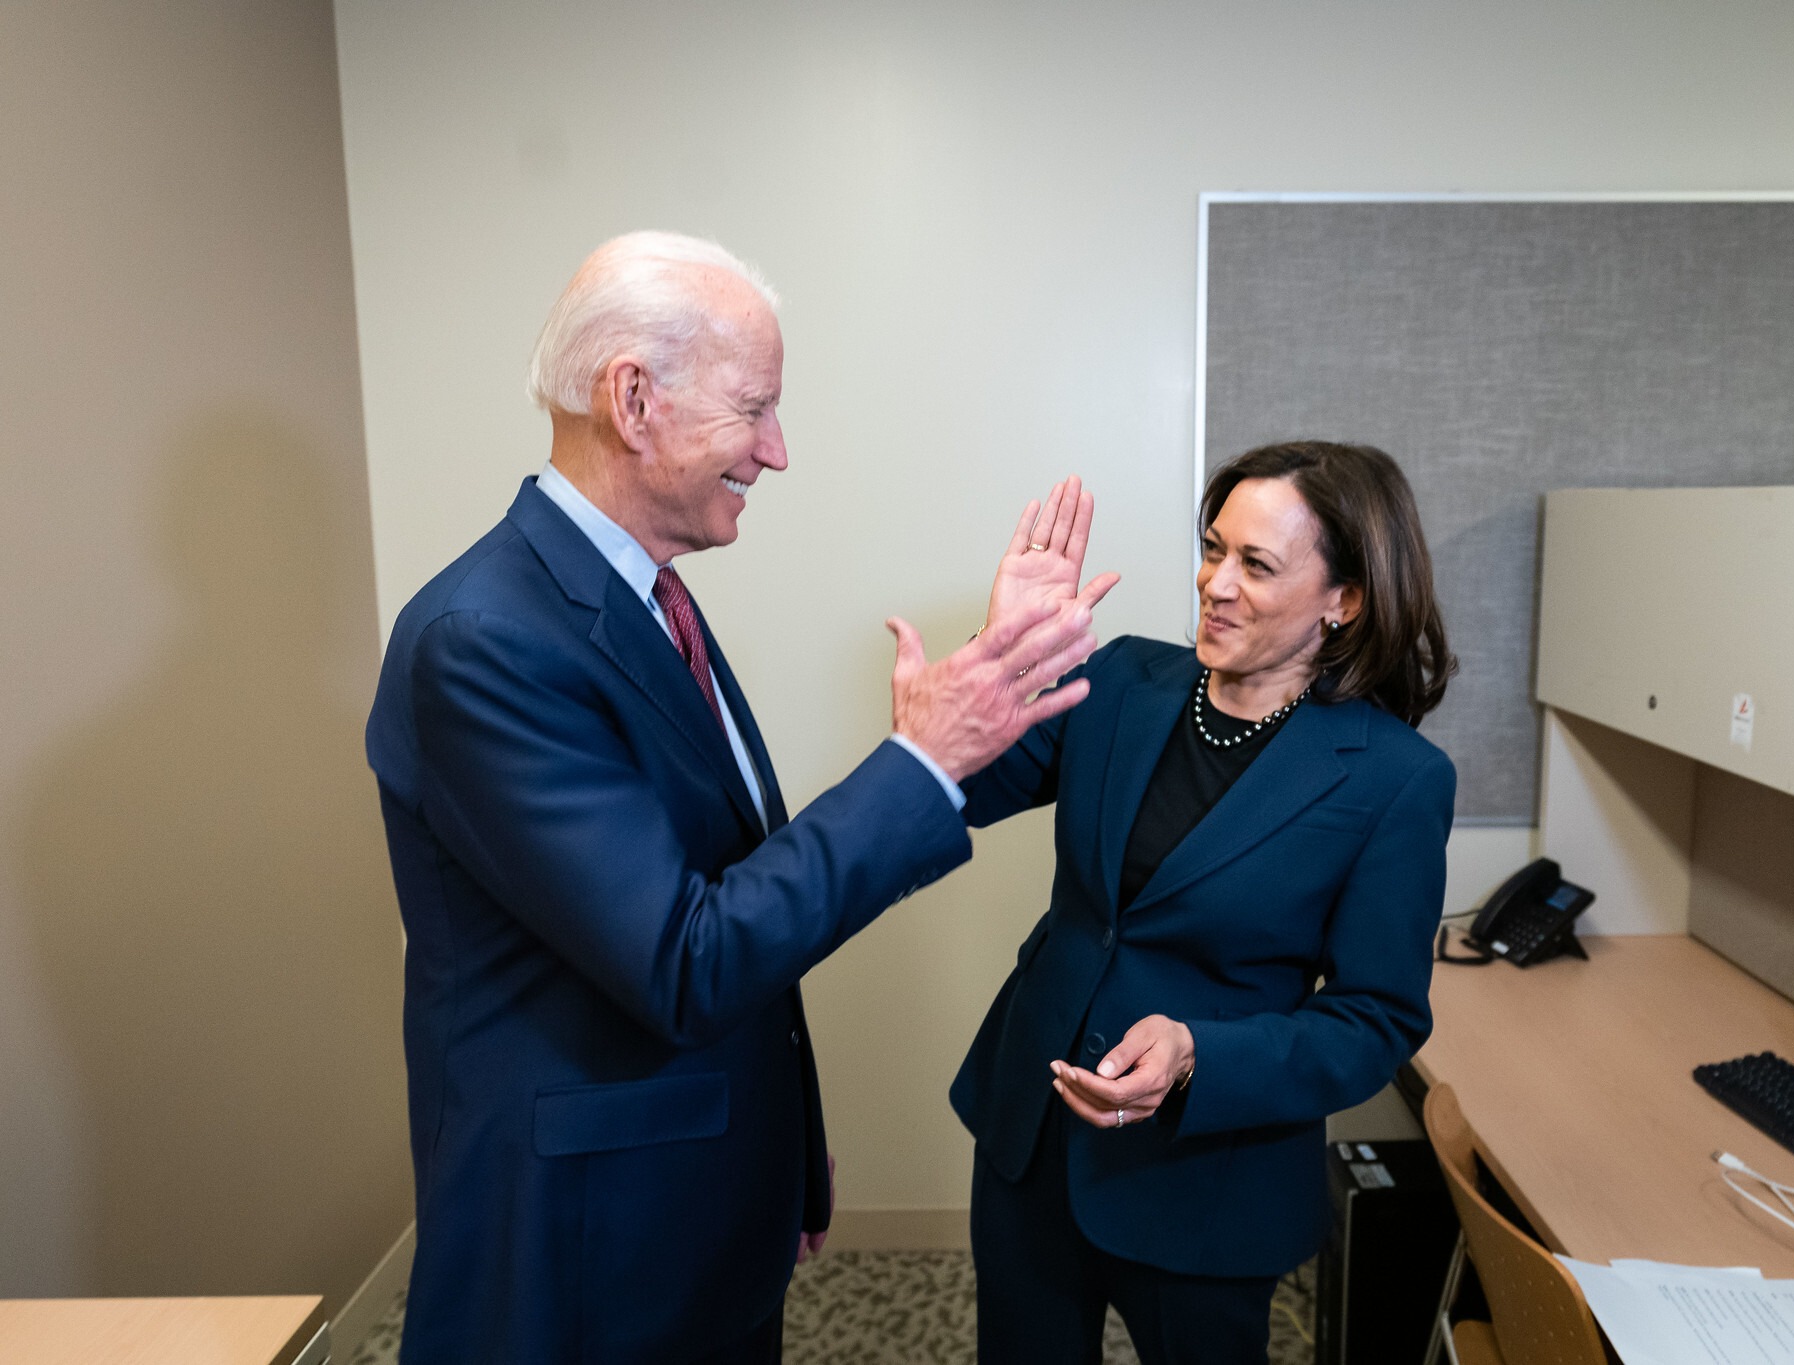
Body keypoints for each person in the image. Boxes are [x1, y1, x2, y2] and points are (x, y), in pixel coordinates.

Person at [365, 232, 1107, 1365]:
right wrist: (920, 761)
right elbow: (686, 957)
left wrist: (782, 1158)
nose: (777, 451)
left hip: (696, 1199)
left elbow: (721, 886)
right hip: (583, 1247)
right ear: (634, 400)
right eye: (754, 408)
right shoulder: (487, 641)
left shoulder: (644, 595)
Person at [951, 441, 1459, 1364]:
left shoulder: (1394, 778)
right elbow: (960, 792)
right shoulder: (1119, 683)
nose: (1214, 583)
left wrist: (1198, 1053)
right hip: (1033, 1136)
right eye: (1213, 548)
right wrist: (1002, 658)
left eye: (1256, 564)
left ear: (1345, 600)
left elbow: (1375, 1019)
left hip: (1206, 1180)